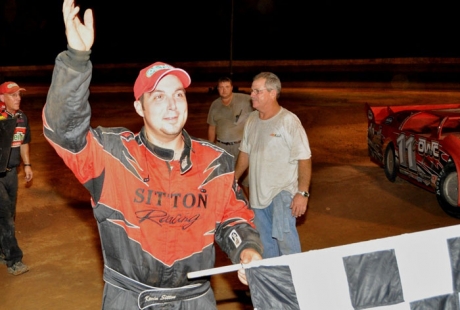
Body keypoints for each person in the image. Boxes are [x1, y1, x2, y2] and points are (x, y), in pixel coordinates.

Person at [42, 1, 263, 309]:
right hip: (130, 299)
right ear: (139, 108)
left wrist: (247, 248)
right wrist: (76, 60)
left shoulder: (216, 163)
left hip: (195, 300)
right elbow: (63, 130)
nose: (172, 105)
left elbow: (233, 217)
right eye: (158, 97)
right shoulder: (112, 154)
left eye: (178, 95)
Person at [235, 72, 312, 259]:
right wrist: (233, 179)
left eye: (257, 91)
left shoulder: (288, 121)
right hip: (257, 196)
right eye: (252, 90)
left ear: (272, 93)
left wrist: (302, 193)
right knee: (266, 247)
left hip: (282, 193)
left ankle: (295, 283)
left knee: (287, 245)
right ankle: (274, 285)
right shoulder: (252, 120)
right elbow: (245, 154)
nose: (251, 94)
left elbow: (304, 158)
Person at [0, 81, 33, 275]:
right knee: (5, 217)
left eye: (19, 94)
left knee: (8, 214)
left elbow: (24, 142)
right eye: (13, 95)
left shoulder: (22, 118)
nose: (18, 98)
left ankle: (2, 250)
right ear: (2, 98)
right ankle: (14, 259)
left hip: (12, 173)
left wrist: (27, 164)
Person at [207, 77, 252, 196]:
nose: (224, 90)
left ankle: (251, 205)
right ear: (217, 89)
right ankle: (228, 205)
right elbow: (212, 127)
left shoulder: (244, 100)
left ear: (232, 87)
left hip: (241, 147)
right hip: (222, 147)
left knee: (246, 180)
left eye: (227, 87)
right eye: (221, 87)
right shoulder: (215, 105)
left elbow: (259, 106)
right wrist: (210, 147)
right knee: (223, 178)